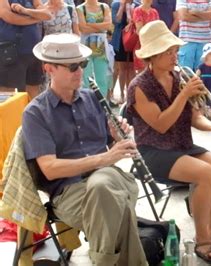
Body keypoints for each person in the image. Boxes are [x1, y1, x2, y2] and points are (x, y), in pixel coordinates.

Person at [23, 33, 147, 265]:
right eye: (72, 67)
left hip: (111, 180)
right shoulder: (36, 112)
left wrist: (115, 138)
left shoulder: (94, 98)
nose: (80, 71)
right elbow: (50, 169)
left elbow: (108, 153)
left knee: (102, 185)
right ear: (48, 68)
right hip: (69, 192)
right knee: (111, 204)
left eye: (82, 64)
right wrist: (105, 157)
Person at [126, 20, 211, 263]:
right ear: (152, 56)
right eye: (168, 51)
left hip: (181, 145)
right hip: (152, 151)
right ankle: (203, 240)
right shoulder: (139, 86)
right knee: (206, 173)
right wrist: (184, 94)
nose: (174, 55)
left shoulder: (178, 77)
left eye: (174, 50)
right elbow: (161, 124)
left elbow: (195, 117)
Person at [0, 0, 52, 99]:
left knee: (33, 93)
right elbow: (8, 16)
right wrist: (36, 18)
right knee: (8, 95)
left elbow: (47, 14)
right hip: (11, 52)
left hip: (33, 52)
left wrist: (25, 11)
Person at [77, 0, 114, 100]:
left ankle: (102, 106)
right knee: (86, 78)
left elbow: (108, 25)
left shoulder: (104, 7)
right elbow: (83, 29)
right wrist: (100, 27)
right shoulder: (80, 9)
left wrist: (89, 24)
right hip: (85, 47)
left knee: (102, 78)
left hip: (101, 48)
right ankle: (86, 103)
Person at [176, 0, 211, 71]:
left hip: (205, 42)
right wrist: (205, 15)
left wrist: (195, 13)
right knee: (185, 73)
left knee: (203, 74)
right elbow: (184, 16)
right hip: (186, 41)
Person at [196, 43, 211, 122]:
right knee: (202, 103)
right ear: (206, 55)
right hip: (203, 86)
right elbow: (196, 75)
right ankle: (201, 119)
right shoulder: (202, 66)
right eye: (210, 54)